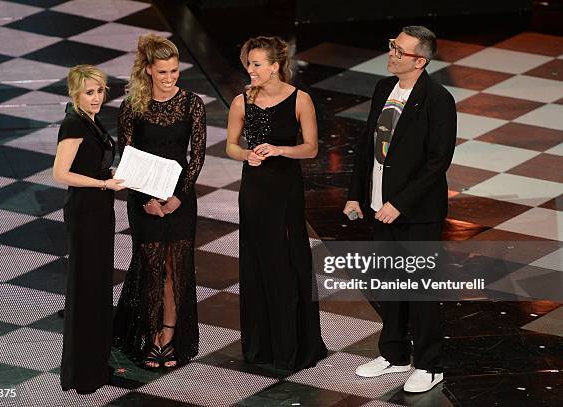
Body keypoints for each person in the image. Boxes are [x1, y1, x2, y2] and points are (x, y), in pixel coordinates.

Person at [344, 26, 456, 393]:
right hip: (380, 206)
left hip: (416, 213)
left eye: (400, 50)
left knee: (421, 289)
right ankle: (394, 354)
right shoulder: (383, 89)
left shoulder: (438, 99)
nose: (391, 52)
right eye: (392, 45)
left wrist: (400, 203)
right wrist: (355, 194)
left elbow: (437, 162)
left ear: (420, 60)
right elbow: (367, 146)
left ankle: (430, 364)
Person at [226, 36, 327, 371]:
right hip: (254, 190)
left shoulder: (300, 100)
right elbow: (230, 145)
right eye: (248, 64)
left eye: (256, 64)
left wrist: (280, 149)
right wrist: (246, 155)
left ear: (274, 66)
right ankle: (261, 346)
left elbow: (311, 148)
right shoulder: (242, 101)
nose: (250, 70)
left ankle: (294, 345)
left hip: (285, 188)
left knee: (288, 259)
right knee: (258, 259)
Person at [113, 34, 206, 369]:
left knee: (174, 269)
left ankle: (169, 335)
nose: (169, 78)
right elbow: (128, 156)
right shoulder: (133, 106)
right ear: (148, 70)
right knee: (150, 268)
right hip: (144, 200)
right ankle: (148, 335)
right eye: (163, 72)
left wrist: (178, 197)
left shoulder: (192, 104)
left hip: (180, 199)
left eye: (174, 71)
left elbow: (197, 156)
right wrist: (146, 198)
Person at [53, 65, 125, 394]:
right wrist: (102, 183)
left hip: (99, 210)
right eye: (89, 92)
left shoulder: (90, 122)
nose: (96, 98)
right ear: (75, 94)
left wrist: (111, 176)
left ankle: (96, 365)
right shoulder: (73, 123)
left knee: (97, 289)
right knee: (86, 289)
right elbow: (61, 173)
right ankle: (83, 374)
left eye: (99, 91)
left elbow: (92, 162)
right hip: (85, 213)